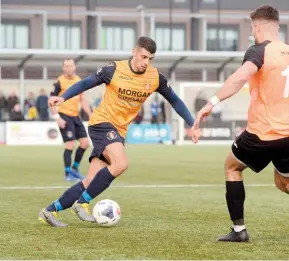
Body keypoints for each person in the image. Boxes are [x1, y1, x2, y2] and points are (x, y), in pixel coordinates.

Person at [191, 5, 289, 245]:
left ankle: (239, 230)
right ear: (277, 26)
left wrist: (211, 103)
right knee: (287, 181)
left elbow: (239, 77)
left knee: (232, 167)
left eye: (252, 28)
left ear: (256, 27)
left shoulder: (258, 51)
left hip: (262, 133)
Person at [38, 36, 198, 227]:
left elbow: (175, 100)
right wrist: (63, 97)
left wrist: (192, 123)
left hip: (119, 131)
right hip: (101, 123)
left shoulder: (155, 78)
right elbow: (86, 83)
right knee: (121, 163)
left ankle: (49, 211)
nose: (146, 62)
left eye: (150, 59)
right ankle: (81, 203)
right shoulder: (113, 69)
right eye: (144, 57)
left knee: (90, 180)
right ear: (134, 52)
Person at [50, 59, 92, 181]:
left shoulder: (79, 80)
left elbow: (82, 99)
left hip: (75, 116)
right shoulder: (59, 82)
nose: (68, 68)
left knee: (85, 143)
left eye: (71, 66)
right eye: (66, 66)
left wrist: (90, 114)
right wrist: (57, 118)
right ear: (63, 68)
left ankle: (74, 169)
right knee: (70, 144)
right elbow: (51, 100)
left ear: (74, 67)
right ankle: (67, 173)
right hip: (64, 115)